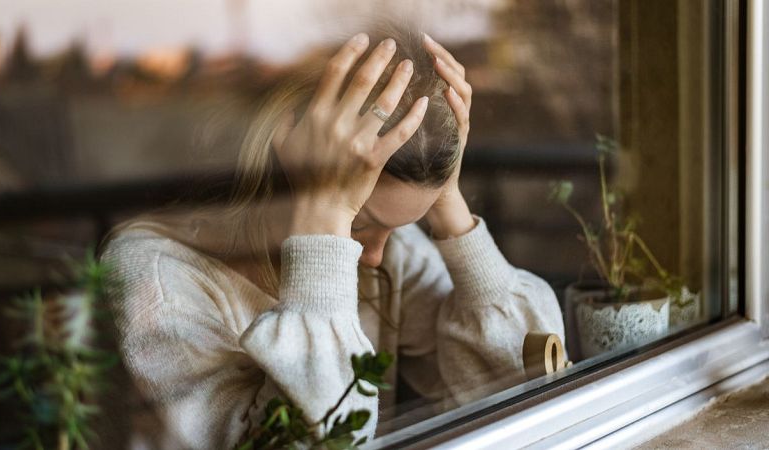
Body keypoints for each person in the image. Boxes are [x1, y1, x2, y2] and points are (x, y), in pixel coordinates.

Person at [101, 23, 564, 449]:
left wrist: (448, 203)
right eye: (357, 226)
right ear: (289, 158)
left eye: (398, 228)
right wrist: (325, 228)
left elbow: (521, 384)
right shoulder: (156, 278)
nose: (376, 257)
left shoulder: (391, 250)